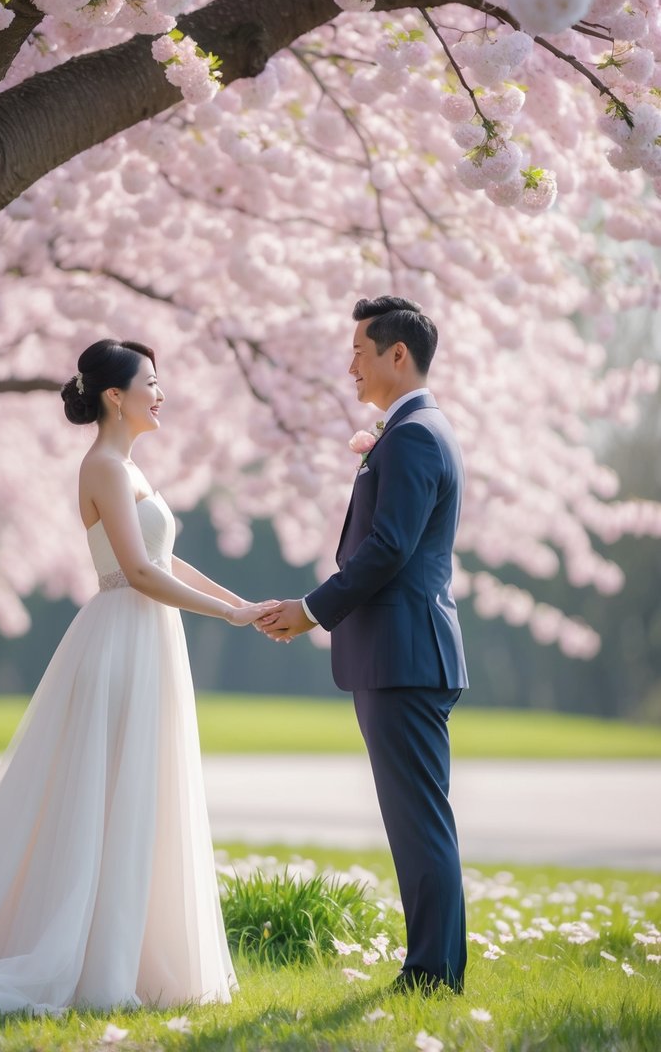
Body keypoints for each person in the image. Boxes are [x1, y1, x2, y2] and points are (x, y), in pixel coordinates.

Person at [0, 338, 274, 1014]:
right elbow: (137, 571)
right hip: (122, 638)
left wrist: (239, 604)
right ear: (114, 397)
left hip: (149, 635)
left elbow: (167, 560)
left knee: (140, 790)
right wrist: (228, 616)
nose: (161, 394)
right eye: (150, 383)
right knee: (108, 790)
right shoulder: (101, 465)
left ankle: (137, 957)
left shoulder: (132, 470)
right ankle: (89, 957)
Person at [259, 296, 469, 994]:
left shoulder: (412, 434)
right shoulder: (412, 429)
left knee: (417, 822)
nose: (348, 363)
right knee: (415, 820)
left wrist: (312, 609)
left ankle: (432, 975)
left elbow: (388, 549)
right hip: (401, 653)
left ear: (395, 355)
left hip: (404, 655)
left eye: (358, 349)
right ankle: (431, 966)